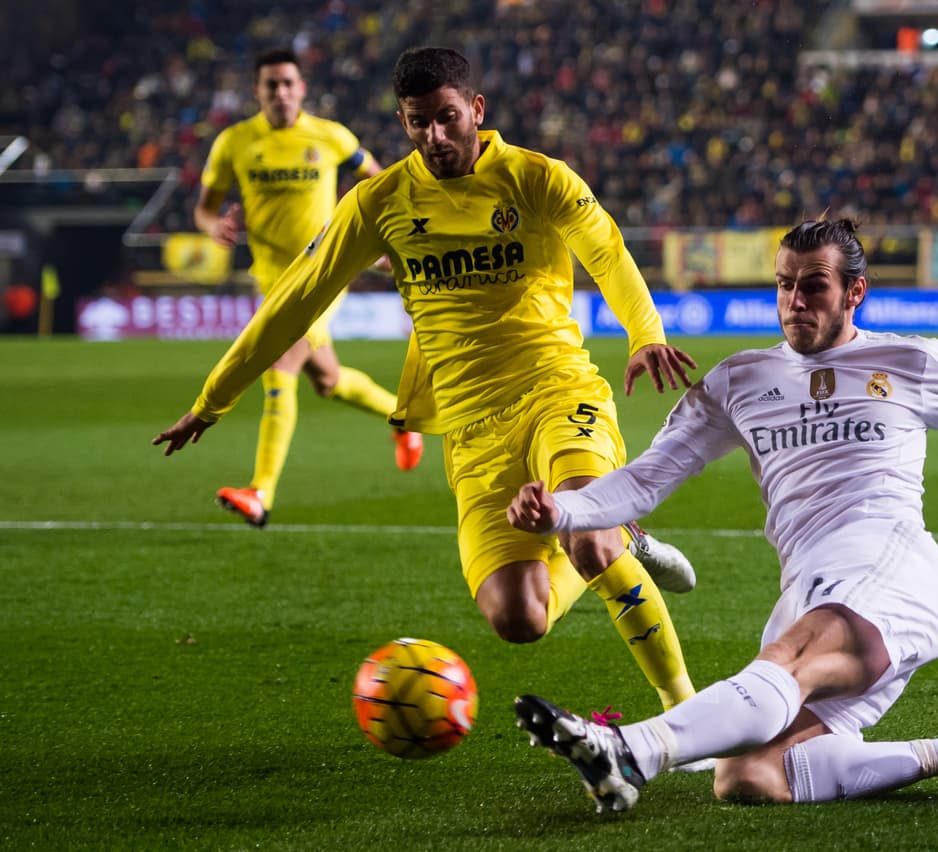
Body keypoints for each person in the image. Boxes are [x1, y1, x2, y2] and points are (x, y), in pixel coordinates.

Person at [507, 218, 938, 813]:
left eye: (813, 285)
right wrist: (559, 509)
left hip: (887, 564)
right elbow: (645, 481)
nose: (795, 300)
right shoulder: (737, 382)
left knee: (787, 664)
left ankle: (632, 751)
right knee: (748, 776)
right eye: (784, 283)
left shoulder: (909, 360)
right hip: (806, 586)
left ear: (854, 292)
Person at [155, 46, 703, 714]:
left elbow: (608, 253)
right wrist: (212, 401)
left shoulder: (537, 178)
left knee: (587, 535)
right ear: (403, 121)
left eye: (447, 118)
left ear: (476, 108)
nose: (435, 137)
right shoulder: (380, 203)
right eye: (419, 123)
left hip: (557, 390)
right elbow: (292, 302)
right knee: (519, 618)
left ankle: (688, 710)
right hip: (470, 426)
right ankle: (626, 543)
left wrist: (646, 335)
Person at [193, 47, 424, 528]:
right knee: (327, 381)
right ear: (256, 91)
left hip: (323, 272)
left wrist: (377, 230)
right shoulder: (233, 143)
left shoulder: (331, 136)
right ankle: (406, 420)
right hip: (270, 279)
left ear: (301, 89)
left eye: (287, 83)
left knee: (280, 364)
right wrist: (212, 224)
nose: (280, 92)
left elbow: (378, 180)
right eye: (270, 84)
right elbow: (205, 207)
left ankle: (260, 492)